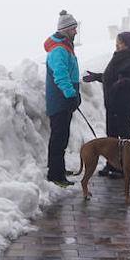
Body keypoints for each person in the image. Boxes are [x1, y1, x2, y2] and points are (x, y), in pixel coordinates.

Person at [83, 31, 130, 177]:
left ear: (127, 44)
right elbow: (110, 78)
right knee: (111, 137)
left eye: (119, 42)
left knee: (123, 137)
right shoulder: (116, 58)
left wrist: (125, 82)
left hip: (126, 106)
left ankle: (123, 168)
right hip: (113, 105)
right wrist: (97, 76)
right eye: (117, 42)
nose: (116, 44)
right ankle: (111, 164)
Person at [44, 10, 82, 186]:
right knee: (58, 138)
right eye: (74, 28)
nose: (76, 32)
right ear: (66, 30)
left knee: (62, 136)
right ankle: (55, 175)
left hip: (64, 100)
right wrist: (70, 95)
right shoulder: (59, 50)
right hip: (59, 101)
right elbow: (61, 75)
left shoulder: (65, 47)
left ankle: (58, 169)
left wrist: (75, 95)